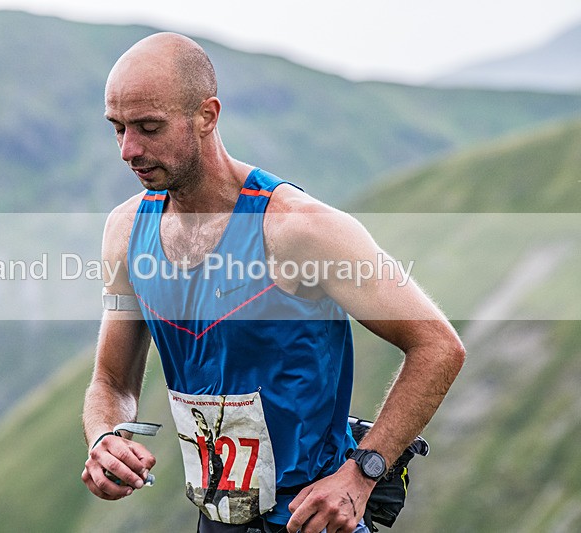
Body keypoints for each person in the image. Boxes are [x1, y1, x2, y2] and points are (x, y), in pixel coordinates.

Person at [81, 32, 465, 533]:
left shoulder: (299, 229)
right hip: (217, 516)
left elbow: (438, 346)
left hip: (313, 518)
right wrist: (105, 438)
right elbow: (111, 380)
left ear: (207, 115)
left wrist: (362, 474)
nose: (129, 149)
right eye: (118, 128)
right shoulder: (127, 230)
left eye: (149, 127)